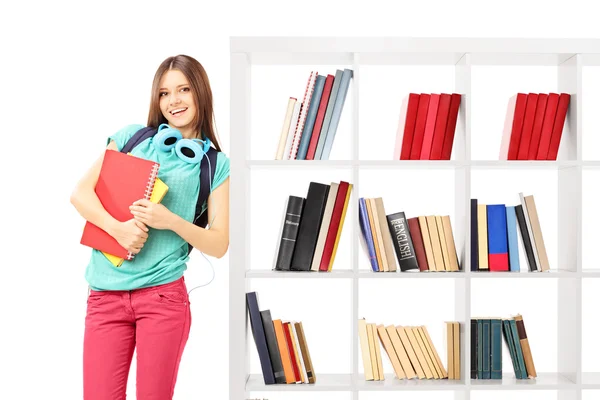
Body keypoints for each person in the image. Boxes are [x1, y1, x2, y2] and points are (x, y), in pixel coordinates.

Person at [70, 54, 230, 400]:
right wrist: (118, 230)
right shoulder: (131, 138)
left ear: (200, 92)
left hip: (163, 298)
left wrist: (169, 221)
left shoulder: (214, 163)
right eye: (164, 93)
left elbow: (218, 244)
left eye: (184, 89)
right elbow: (81, 195)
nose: (174, 101)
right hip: (104, 295)